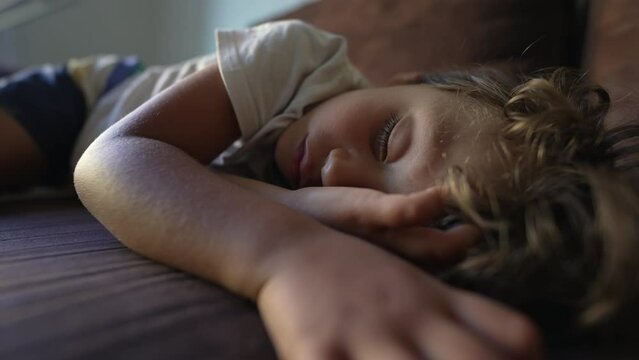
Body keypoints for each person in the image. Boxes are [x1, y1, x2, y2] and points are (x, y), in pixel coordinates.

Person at [1, 19, 637, 358]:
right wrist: (291, 251)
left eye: (387, 210)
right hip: (87, 103)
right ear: (412, 78)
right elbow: (111, 162)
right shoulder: (297, 62)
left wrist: (300, 205)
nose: (339, 176)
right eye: (389, 139)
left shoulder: (333, 191)